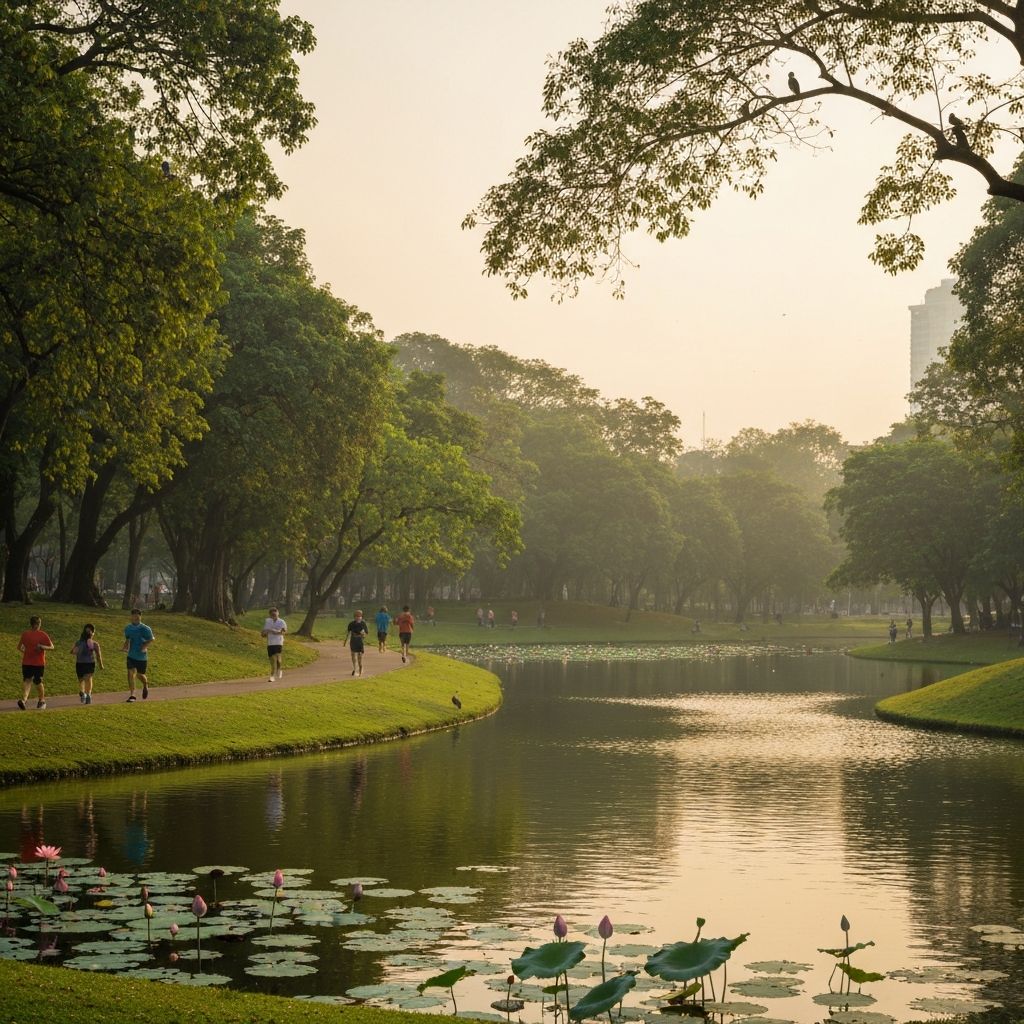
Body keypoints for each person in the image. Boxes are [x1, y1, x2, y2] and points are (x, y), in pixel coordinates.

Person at [17, 615, 54, 711]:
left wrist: (26, 652)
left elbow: (19, 647)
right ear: (37, 624)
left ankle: (24, 700)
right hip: (38, 663)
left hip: (26, 662)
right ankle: (41, 701)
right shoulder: (42, 635)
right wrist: (42, 646)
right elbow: (51, 647)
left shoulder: (25, 634)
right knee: (38, 682)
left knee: (27, 681)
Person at [122, 608, 155, 702]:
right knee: (130, 673)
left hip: (141, 657)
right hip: (131, 655)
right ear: (131, 617)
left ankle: (145, 684)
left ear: (140, 617)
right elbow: (128, 639)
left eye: (137, 616)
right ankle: (132, 695)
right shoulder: (128, 628)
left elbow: (152, 639)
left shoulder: (145, 628)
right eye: (133, 615)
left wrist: (144, 646)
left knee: (140, 675)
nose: (135, 617)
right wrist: (125, 647)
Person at [71, 623, 104, 705]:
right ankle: (85, 693)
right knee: (84, 679)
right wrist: (101, 665)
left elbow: (98, 655)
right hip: (81, 663)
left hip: (87, 663)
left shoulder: (93, 644)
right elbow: (73, 652)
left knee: (85, 679)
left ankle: (87, 694)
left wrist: (101, 664)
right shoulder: (79, 642)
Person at [261, 606, 287, 682]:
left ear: (278, 614)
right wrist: (265, 633)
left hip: (278, 643)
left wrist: (274, 631)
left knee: (278, 660)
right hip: (270, 644)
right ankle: (272, 676)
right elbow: (263, 633)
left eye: (275, 615)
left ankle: (279, 669)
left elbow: (284, 632)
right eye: (272, 615)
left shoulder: (282, 622)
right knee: (272, 661)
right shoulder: (267, 621)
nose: (273, 616)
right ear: (270, 615)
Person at [346, 610, 369, 676]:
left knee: (359, 657)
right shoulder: (351, 624)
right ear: (354, 617)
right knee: (353, 656)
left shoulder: (363, 624)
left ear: (361, 617)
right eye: (357, 616)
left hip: (359, 641)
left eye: (359, 616)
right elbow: (348, 633)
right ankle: (355, 668)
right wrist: (346, 641)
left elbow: (366, 633)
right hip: (353, 641)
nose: (358, 617)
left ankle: (360, 668)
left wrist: (363, 634)